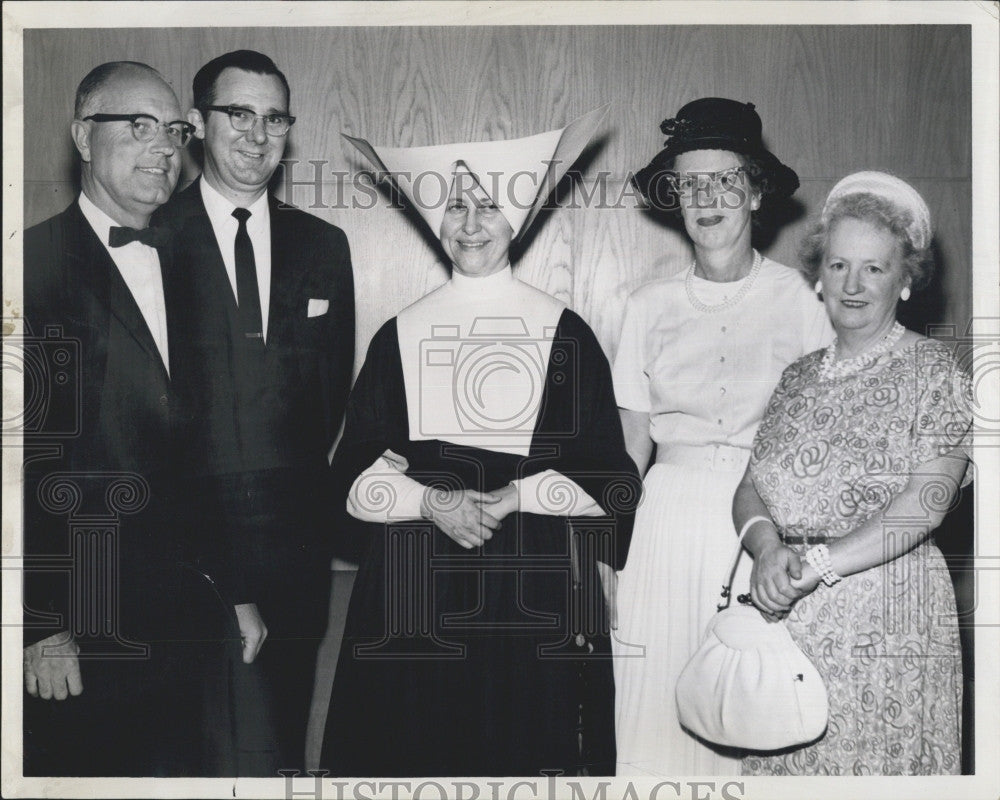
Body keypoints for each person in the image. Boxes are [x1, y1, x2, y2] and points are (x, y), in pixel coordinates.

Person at [320, 107, 641, 776]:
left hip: (530, 590)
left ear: (516, 219)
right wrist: (430, 504)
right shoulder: (399, 333)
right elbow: (350, 483)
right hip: (412, 590)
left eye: (488, 207)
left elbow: (610, 482)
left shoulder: (564, 332)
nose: (470, 224)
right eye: (456, 207)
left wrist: (517, 495)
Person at [22, 61, 234, 775]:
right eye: (137, 126)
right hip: (80, 624)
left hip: (188, 613)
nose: (164, 147)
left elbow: (207, 447)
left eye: (174, 131)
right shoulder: (27, 266)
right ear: (84, 136)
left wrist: (230, 591)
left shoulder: (195, 271)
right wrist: (41, 625)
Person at [612, 97, 834, 775]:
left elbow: (823, 444)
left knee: (744, 714)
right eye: (689, 183)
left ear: (756, 191)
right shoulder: (648, 308)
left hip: (761, 524)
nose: (706, 198)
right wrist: (608, 560)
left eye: (725, 180)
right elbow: (629, 449)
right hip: (662, 527)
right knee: (651, 713)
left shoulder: (804, 301)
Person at [156, 50, 355, 771]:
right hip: (183, 544)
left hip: (297, 548)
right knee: (195, 750)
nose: (257, 133)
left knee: (281, 747)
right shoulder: (148, 240)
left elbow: (329, 398)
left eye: (274, 117)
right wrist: (214, 565)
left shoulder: (323, 247)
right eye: (237, 113)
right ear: (199, 123)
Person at [735, 171, 972, 775]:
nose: (854, 284)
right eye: (838, 266)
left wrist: (815, 565)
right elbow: (751, 485)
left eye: (874, 267)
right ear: (819, 276)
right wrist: (765, 550)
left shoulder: (935, 370)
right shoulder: (798, 377)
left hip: (887, 624)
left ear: (907, 278)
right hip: (787, 615)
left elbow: (927, 503)